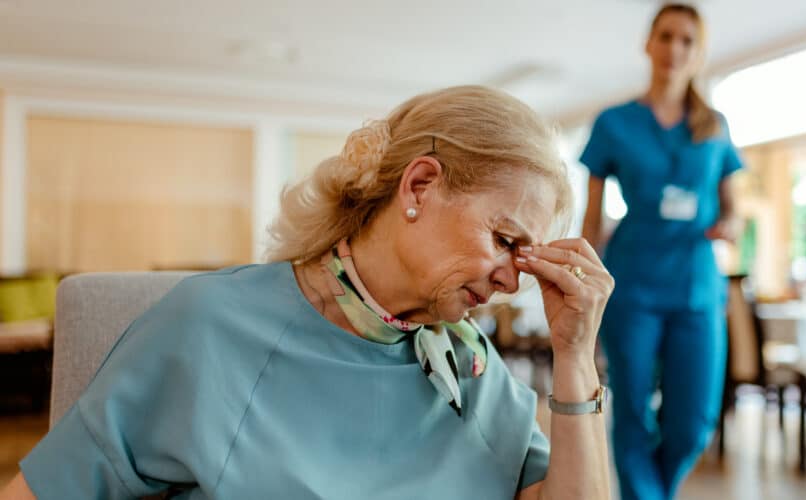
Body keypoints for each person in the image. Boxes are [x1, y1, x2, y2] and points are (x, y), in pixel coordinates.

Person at [0, 86, 613, 500]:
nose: (511, 281)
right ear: (420, 186)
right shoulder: (208, 328)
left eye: (525, 258)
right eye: (505, 240)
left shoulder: (468, 363)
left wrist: (575, 355)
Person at [579, 4, 743, 499]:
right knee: (631, 413)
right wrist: (583, 281)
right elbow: (591, 218)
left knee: (693, 423)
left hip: (696, 286)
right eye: (666, 36)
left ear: (698, 53)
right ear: (648, 44)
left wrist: (729, 226)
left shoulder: (714, 126)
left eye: (687, 40)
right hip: (632, 285)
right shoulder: (613, 122)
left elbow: (734, 208)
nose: (675, 48)